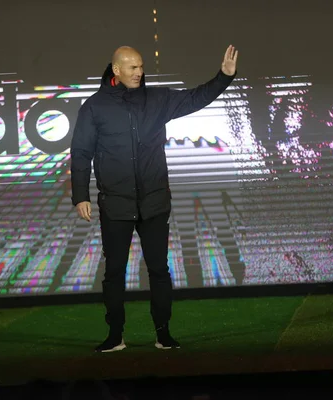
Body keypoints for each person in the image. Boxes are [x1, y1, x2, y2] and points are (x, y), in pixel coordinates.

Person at [69, 44, 239, 352]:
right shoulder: (94, 107)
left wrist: (224, 76)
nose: (139, 72)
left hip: (154, 202)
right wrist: (80, 195)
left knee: (159, 270)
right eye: (132, 68)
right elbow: (81, 152)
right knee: (114, 273)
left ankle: (163, 333)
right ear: (116, 70)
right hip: (116, 204)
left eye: (141, 67)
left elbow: (195, 98)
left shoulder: (157, 99)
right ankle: (115, 335)